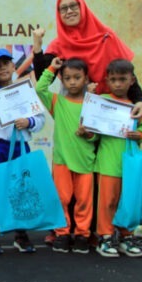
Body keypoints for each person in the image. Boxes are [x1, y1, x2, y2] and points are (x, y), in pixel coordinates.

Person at [0, 48, 46, 255]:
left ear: (14, 66)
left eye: (5, 63)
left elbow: (40, 120)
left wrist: (28, 121)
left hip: (21, 146)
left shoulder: (26, 91)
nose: (2, 68)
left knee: (23, 190)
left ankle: (21, 234)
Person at [32, 0, 142, 119]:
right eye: (63, 9)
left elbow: (125, 73)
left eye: (74, 6)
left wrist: (139, 100)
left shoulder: (106, 37)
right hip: (75, 114)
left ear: (83, 7)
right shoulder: (59, 45)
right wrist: (37, 47)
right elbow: (42, 78)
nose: (69, 11)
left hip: (111, 110)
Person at [77, 59, 142, 258]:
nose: (118, 84)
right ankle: (106, 237)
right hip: (107, 164)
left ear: (132, 80)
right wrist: (87, 133)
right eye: (114, 80)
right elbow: (95, 134)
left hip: (130, 166)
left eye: (122, 79)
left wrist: (140, 134)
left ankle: (126, 237)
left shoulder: (136, 106)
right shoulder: (102, 101)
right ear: (107, 81)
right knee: (107, 203)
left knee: (128, 202)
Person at [35, 57, 94, 254]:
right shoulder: (57, 102)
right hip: (62, 162)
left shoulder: (93, 103)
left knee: (84, 201)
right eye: (67, 78)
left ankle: (82, 234)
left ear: (86, 79)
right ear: (62, 80)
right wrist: (52, 68)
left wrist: (90, 134)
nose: (72, 82)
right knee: (61, 198)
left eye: (77, 77)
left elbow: (99, 134)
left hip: (86, 161)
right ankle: (62, 233)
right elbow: (40, 89)